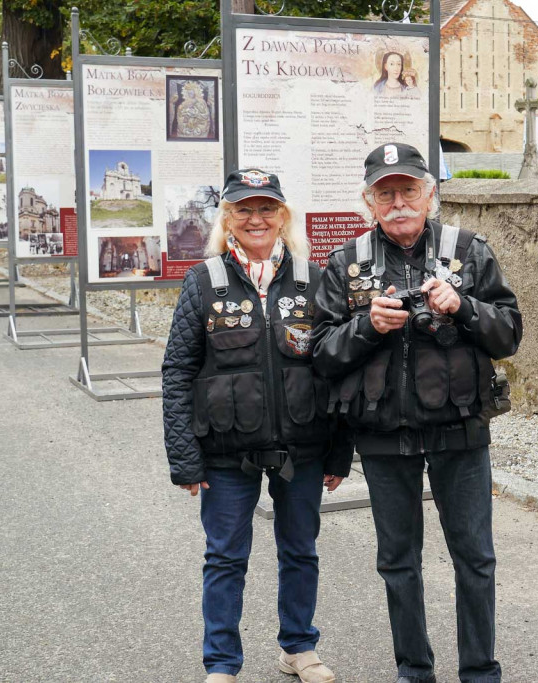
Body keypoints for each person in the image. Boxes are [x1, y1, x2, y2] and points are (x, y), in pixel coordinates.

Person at [313, 143, 522, 683]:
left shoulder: (469, 250)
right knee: (398, 563)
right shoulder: (346, 263)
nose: (399, 202)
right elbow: (320, 352)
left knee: (475, 559)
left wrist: (464, 306)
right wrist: (367, 326)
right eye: (386, 193)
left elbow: (509, 333)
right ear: (369, 201)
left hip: (460, 429)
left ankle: (480, 672)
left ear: (430, 194)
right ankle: (414, 671)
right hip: (384, 435)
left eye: (409, 190)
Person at [162, 168, 350, 683]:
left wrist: (339, 451)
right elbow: (177, 371)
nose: (256, 218)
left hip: (304, 444)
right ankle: (222, 663)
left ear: (283, 216)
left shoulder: (316, 279)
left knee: (300, 550)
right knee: (224, 558)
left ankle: (299, 648)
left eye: (267, 208)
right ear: (228, 218)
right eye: (244, 209)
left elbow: (337, 369)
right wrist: (184, 458)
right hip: (225, 449)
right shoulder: (204, 280)